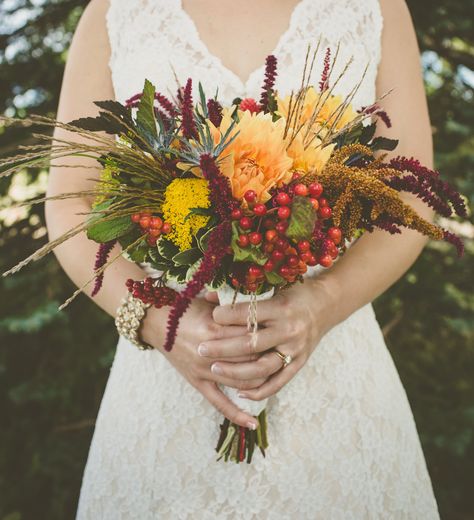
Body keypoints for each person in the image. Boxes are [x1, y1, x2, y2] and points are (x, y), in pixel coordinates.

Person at [45, 0, 440, 517]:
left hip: (333, 381)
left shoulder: (374, 7)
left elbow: (412, 197)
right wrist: (158, 319)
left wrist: (320, 305)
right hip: (168, 388)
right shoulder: (116, 12)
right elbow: (70, 202)